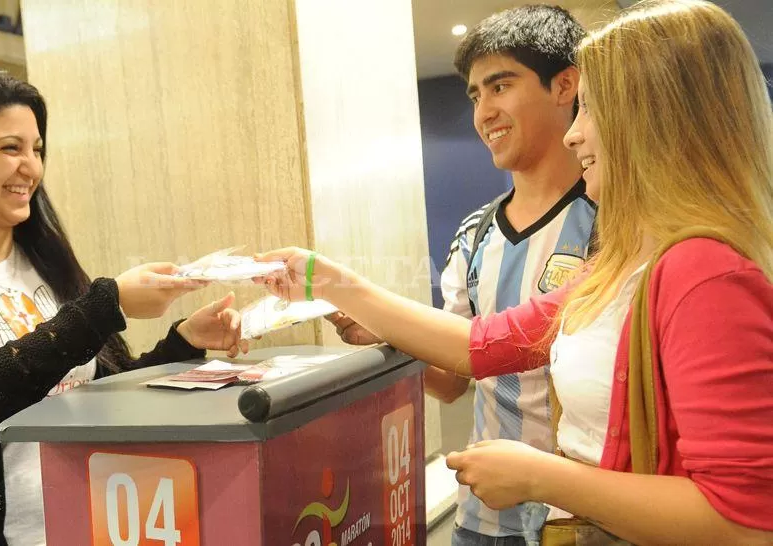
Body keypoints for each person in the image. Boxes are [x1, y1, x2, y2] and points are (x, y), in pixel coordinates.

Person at [256, 1, 773, 544]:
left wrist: (540, 475)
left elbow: (745, 520)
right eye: (475, 95)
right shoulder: (625, 262)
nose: (577, 135)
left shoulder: (706, 272)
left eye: (593, 111)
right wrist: (326, 279)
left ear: (658, 120)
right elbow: (481, 345)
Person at [0, 68, 246, 546]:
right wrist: (107, 305)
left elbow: (104, 391)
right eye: (11, 148)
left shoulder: (48, 261)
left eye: (37, 149)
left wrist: (183, 341)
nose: (31, 167)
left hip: (86, 526)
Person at [328, 6, 592, 543]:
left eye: (501, 86)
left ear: (565, 85)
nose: (484, 112)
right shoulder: (475, 233)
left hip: (583, 518)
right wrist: (389, 336)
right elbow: (450, 382)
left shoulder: (613, 222)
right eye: (475, 95)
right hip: (483, 518)